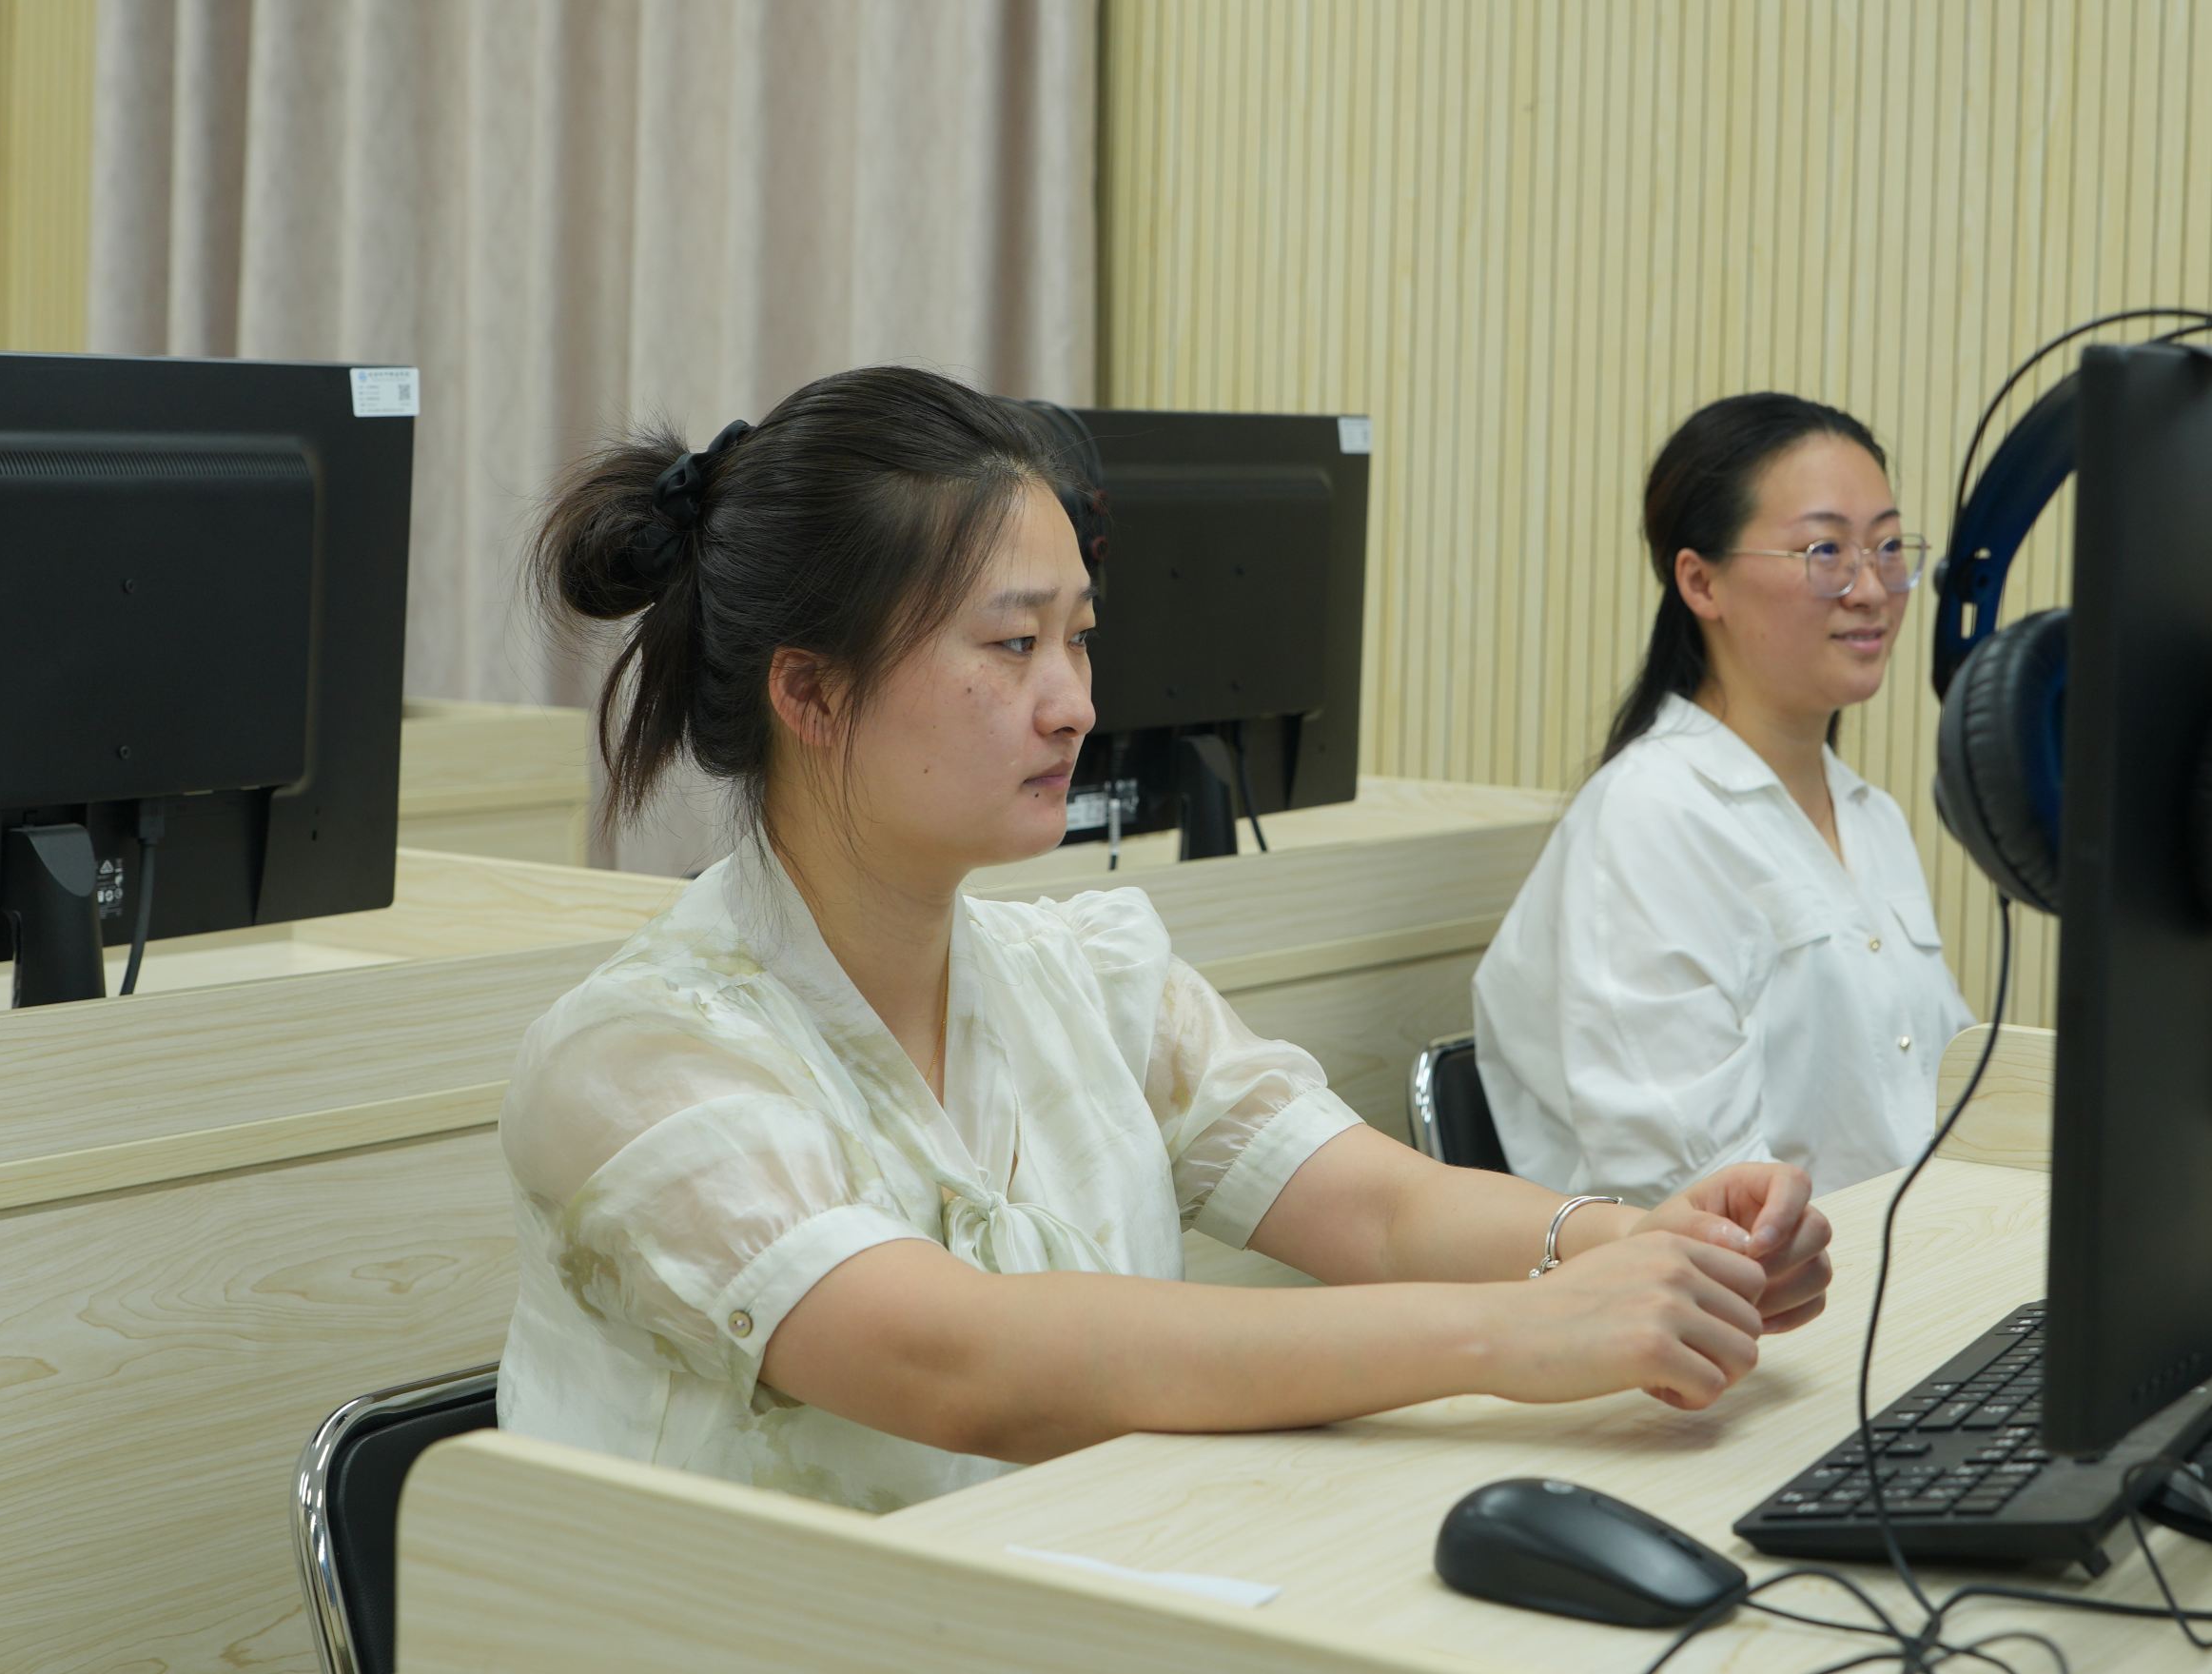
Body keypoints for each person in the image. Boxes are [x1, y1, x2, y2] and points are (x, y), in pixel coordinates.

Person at [496, 366, 1833, 1510]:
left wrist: (1640, 1247)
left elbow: (1380, 1210)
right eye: (1011, 646)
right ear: (811, 693)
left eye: (1078, 638)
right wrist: (1514, 1333)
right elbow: (964, 1365)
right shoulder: (636, 1058)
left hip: (1070, 1610)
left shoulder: (1092, 978)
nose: (1074, 703)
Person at [1468, 393, 1976, 1203]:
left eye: (1888, 547)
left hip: (1914, 1256)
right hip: (1755, 1277)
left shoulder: (1870, 816)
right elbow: (1697, 1192)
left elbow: (1942, 1103)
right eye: (1825, 551)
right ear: (1701, 582)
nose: (1872, 589)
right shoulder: (1650, 818)